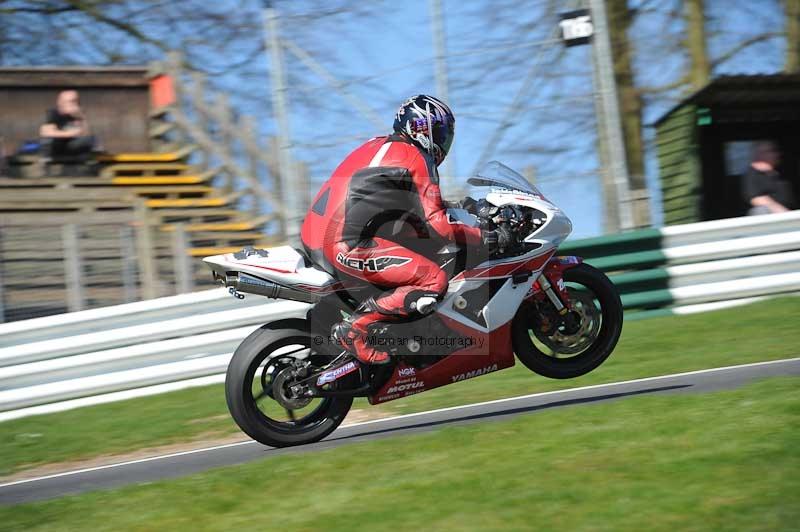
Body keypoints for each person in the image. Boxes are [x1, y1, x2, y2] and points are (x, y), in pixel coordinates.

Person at [300, 95, 512, 365]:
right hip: (348, 246)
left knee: (419, 253)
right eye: (442, 134)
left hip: (317, 238)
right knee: (432, 279)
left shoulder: (378, 145)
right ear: (423, 129)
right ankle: (356, 330)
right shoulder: (416, 157)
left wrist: (458, 207)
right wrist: (484, 236)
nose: (444, 142)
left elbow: (405, 205)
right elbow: (437, 223)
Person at [742, 141, 793, 215]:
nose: (776, 154)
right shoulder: (751, 174)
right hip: (773, 216)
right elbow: (756, 198)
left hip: (791, 214)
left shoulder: (780, 172)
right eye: (771, 151)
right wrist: (783, 212)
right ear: (759, 154)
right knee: (759, 210)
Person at [39, 90, 95, 158]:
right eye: (70, 101)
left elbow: (86, 134)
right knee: (48, 141)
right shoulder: (54, 114)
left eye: (75, 101)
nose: (73, 104)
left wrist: (81, 117)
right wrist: (70, 134)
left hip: (72, 146)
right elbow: (45, 132)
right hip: (57, 146)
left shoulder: (78, 115)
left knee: (88, 140)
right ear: (60, 102)